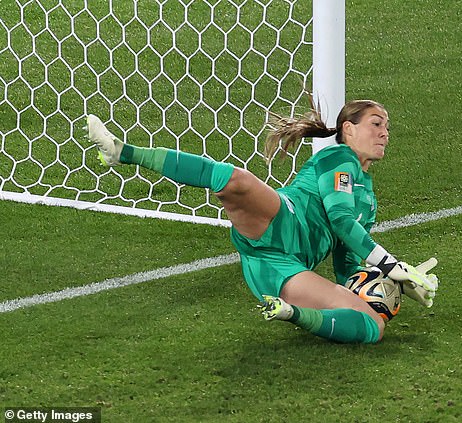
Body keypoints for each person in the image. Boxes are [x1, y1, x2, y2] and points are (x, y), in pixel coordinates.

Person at [85, 95, 439, 344]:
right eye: (376, 124)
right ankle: (122, 152)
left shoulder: (370, 201)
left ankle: (290, 313)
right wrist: (390, 265)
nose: (384, 133)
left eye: (387, 127)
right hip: (282, 219)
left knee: (373, 325)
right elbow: (341, 221)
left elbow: (345, 262)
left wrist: (381, 288)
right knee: (236, 181)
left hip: (279, 267)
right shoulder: (339, 160)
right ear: (348, 130)